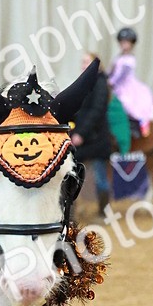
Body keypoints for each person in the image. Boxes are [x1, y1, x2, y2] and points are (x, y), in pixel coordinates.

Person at [69, 52, 113, 215]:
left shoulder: (100, 83)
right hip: (84, 137)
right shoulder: (84, 83)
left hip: (97, 138)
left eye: (86, 62)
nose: (83, 65)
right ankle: (71, 210)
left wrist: (81, 133)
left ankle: (104, 211)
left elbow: (97, 110)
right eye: (82, 62)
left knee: (101, 178)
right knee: (72, 174)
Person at [107, 27, 153, 137]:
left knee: (127, 104)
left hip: (125, 87)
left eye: (126, 42)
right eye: (122, 42)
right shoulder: (118, 58)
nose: (124, 45)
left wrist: (110, 82)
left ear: (131, 44)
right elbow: (112, 71)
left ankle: (138, 126)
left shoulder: (129, 60)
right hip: (117, 85)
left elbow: (121, 76)